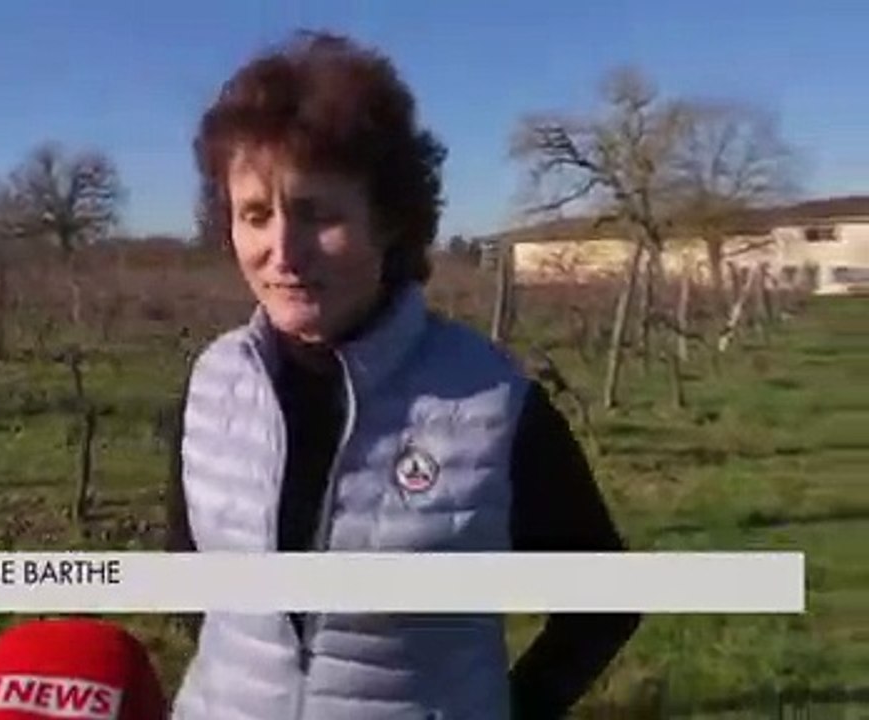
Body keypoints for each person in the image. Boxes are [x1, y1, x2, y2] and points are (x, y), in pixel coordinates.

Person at [164, 30, 640, 720]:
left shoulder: (491, 404)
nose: (282, 251)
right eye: (255, 215)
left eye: (318, 214)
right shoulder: (212, 386)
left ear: (388, 221)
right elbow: (190, 583)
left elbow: (605, 603)